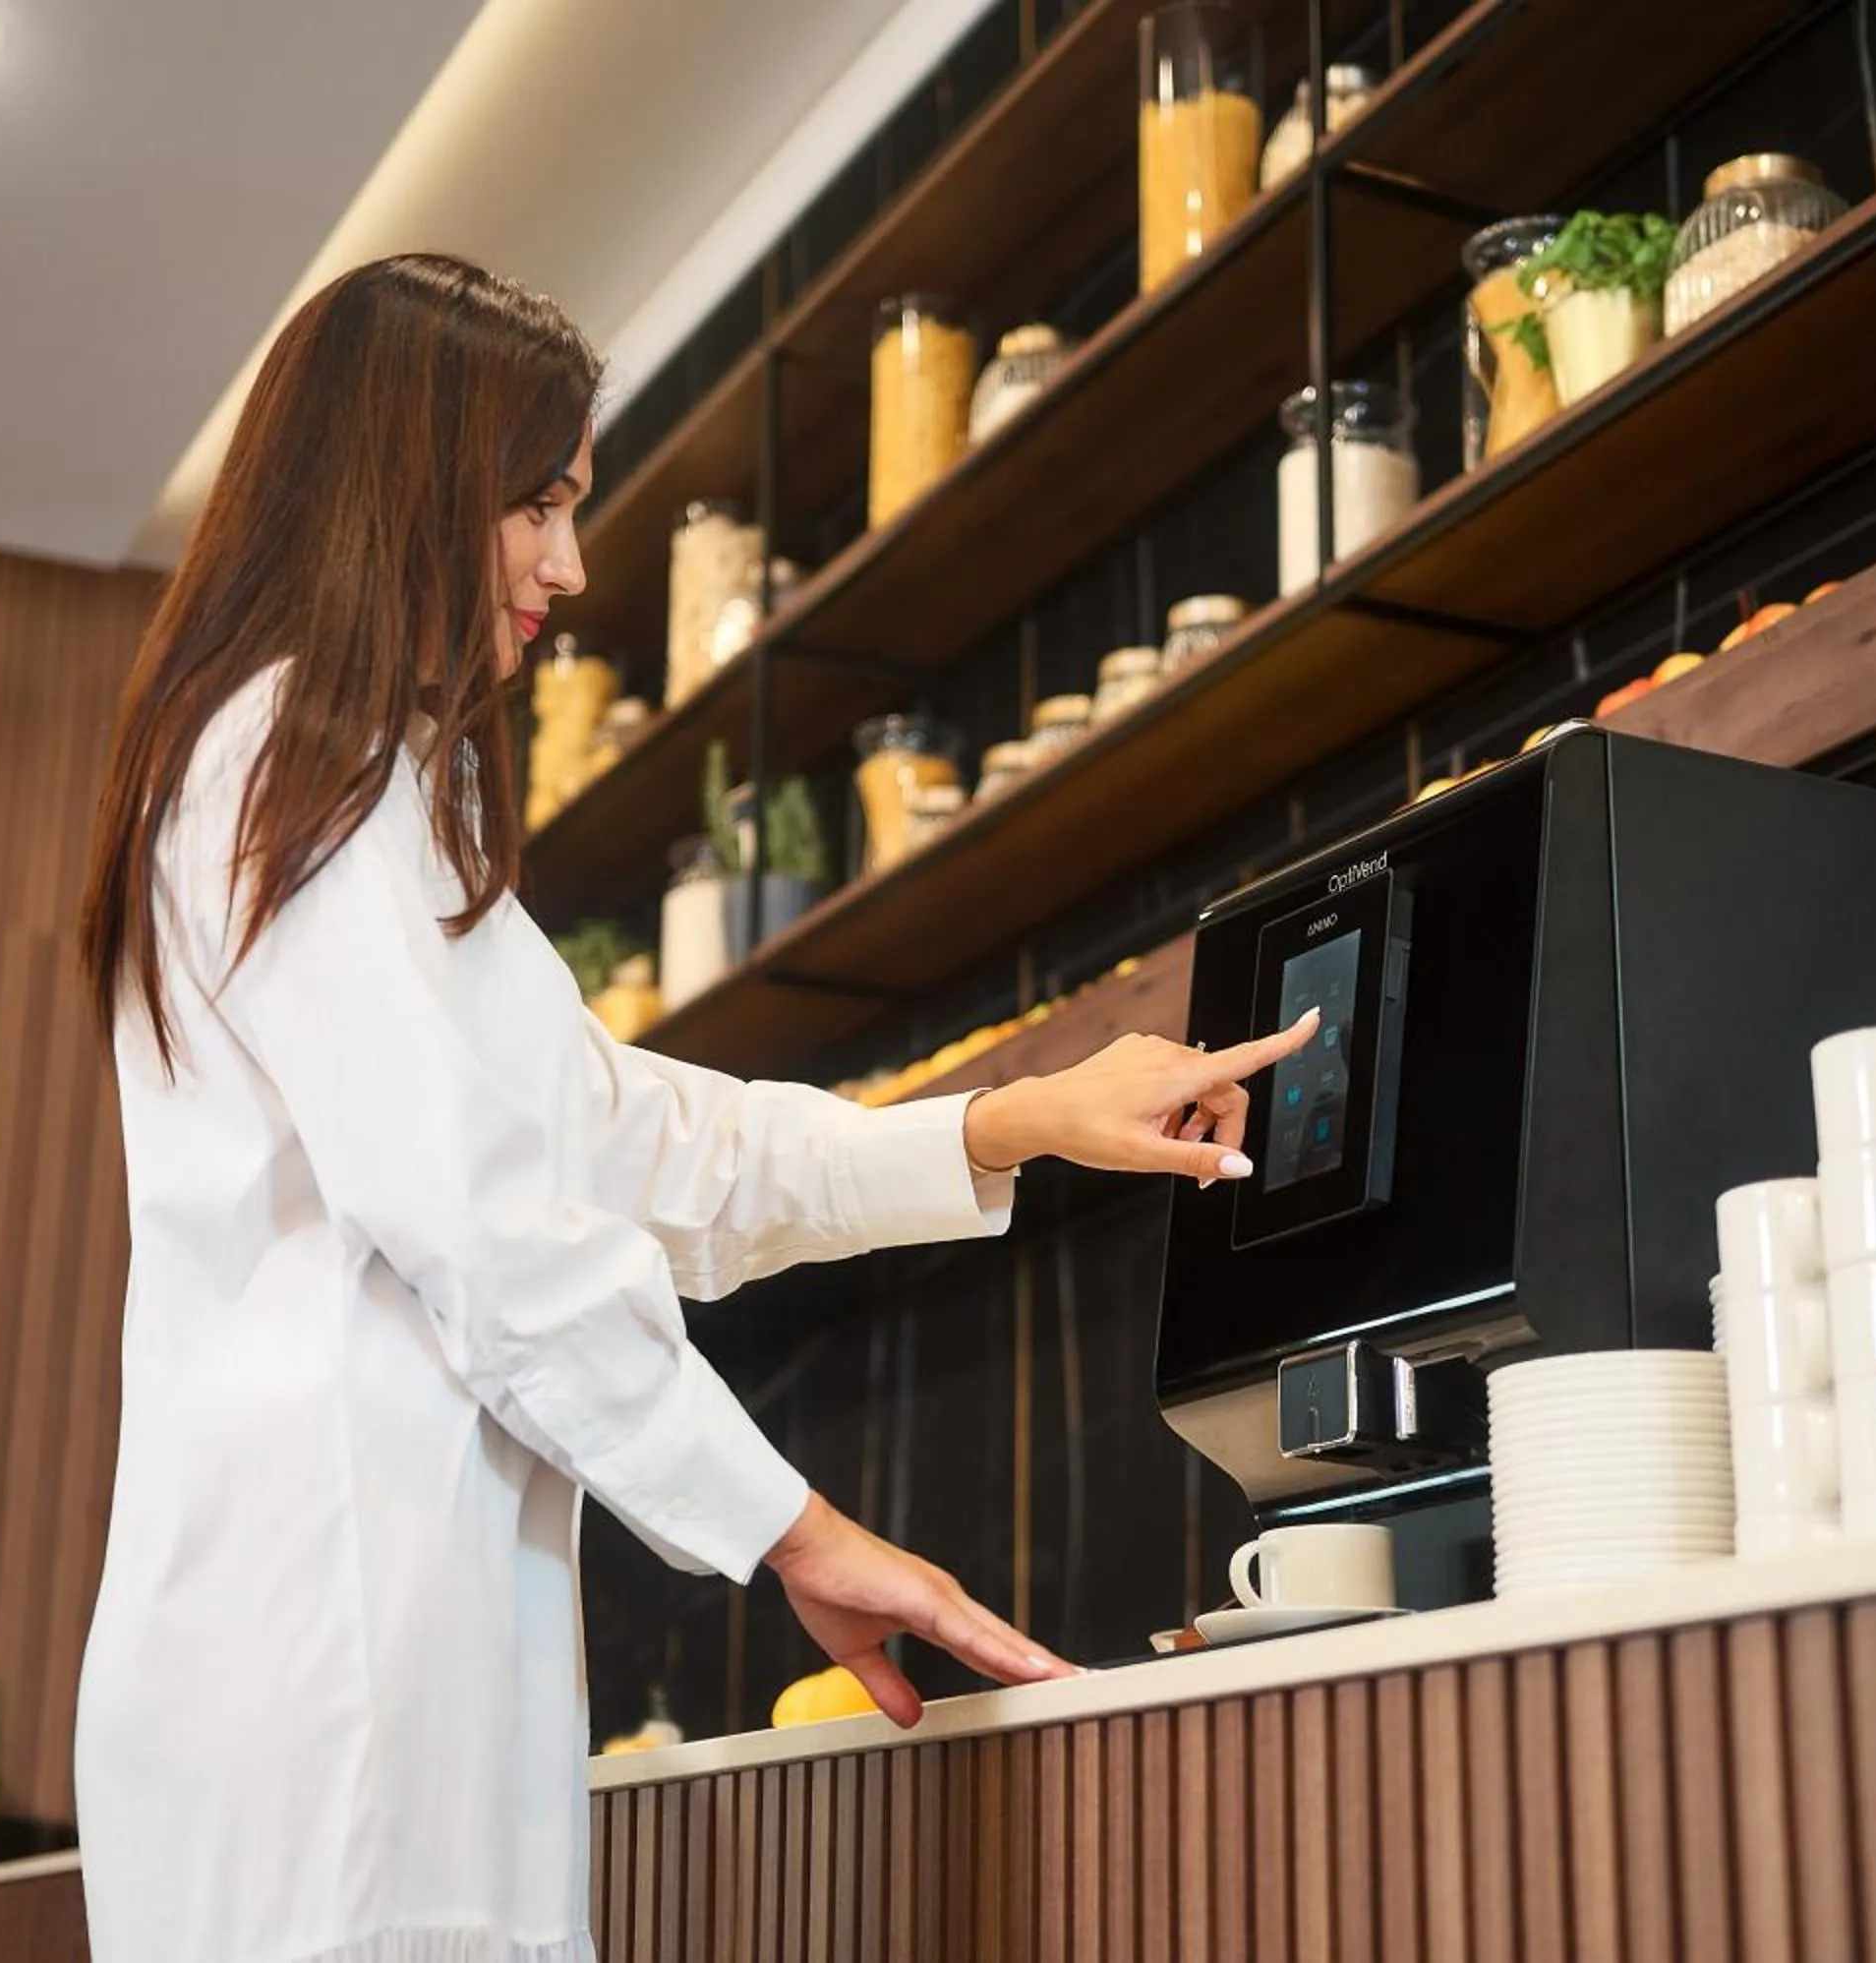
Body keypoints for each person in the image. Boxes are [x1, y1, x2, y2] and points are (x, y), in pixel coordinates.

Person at [69, 253, 1315, 1963]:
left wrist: (1008, 1123)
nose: (568, 570)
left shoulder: (348, 794)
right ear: (406, 483)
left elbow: (644, 1146)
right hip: (323, 1678)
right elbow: (501, 1238)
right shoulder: (297, 763)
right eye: (538, 505)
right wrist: (798, 1532)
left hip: (371, 1668)